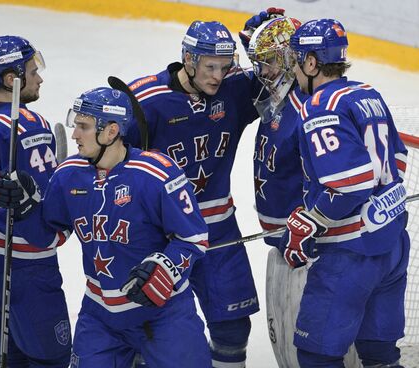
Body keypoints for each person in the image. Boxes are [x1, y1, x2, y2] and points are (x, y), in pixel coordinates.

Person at [0, 87, 212, 367]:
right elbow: (49, 237)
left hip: (163, 315)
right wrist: (25, 210)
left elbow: (193, 238)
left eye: (83, 127)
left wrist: (166, 267)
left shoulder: (157, 174)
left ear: (111, 132)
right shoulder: (68, 175)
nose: (74, 135)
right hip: (101, 317)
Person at [124, 20, 263, 367]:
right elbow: (105, 158)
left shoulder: (235, 89)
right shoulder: (145, 100)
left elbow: (282, 82)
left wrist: (262, 42)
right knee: (149, 331)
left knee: (233, 327)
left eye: (224, 66)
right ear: (188, 59)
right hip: (162, 235)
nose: (218, 76)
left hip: (217, 227)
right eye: (209, 66)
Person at [281, 19, 410, 367]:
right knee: (380, 353)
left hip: (351, 252)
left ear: (311, 63)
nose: (293, 69)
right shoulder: (367, 93)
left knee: (316, 354)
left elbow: (350, 183)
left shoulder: (320, 106)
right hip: (392, 244)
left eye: (295, 60)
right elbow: (398, 159)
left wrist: (313, 218)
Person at [0, 35, 72, 368]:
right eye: (33, 71)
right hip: (22, 261)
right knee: (51, 357)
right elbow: (47, 202)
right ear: (12, 79)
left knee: (10, 353)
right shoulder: (29, 125)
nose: (40, 78)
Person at [240, 11, 310, 368]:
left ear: (291, 58)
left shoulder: (309, 110)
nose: (261, 72)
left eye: (268, 62)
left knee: (310, 354)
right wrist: (256, 38)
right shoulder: (278, 99)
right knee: (284, 354)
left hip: (308, 255)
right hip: (278, 248)